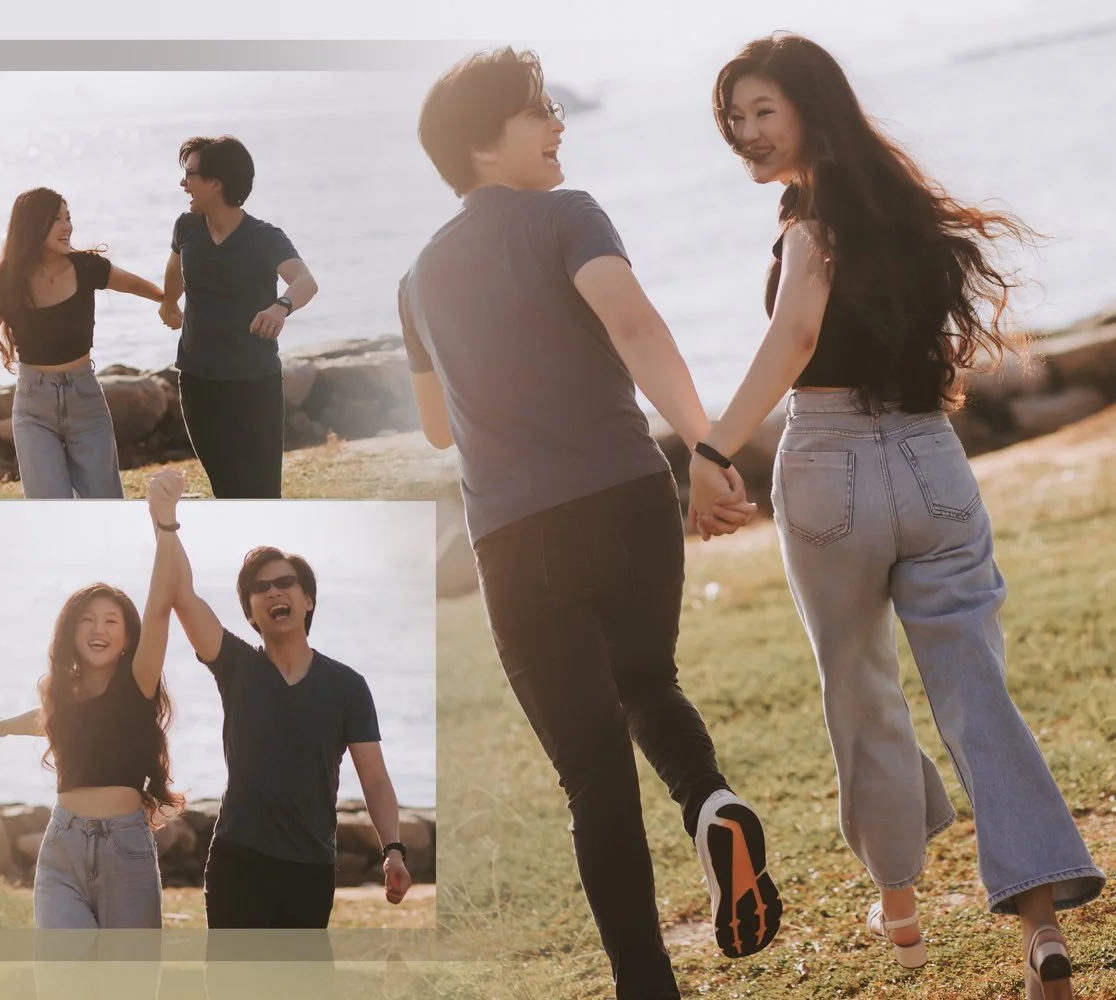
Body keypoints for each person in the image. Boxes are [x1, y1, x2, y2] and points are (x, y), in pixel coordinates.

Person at [697, 33, 1100, 998]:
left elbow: (797, 337)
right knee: (975, 689)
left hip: (829, 467)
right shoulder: (907, 212)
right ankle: (1037, 916)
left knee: (860, 688)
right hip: (931, 461)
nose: (746, 134)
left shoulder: (809, 229)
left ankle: (905, 913)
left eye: (763, 113)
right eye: (734, 118)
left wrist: (713, 450)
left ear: (810, 109)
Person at [399, 47, 779, 997]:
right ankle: (712, 801)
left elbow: (438, 429)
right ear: (484, 147)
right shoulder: (569, 214)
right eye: (538, 111)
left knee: (591, 776)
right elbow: (637, 327)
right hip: (623, 497)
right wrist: (707, 446)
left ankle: (644, 986)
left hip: (514, 538)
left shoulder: (414, 281)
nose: (558, 121)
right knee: (648, 679)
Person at [145, 469, 408, 933]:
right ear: (250, 611)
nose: (273, 592)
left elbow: (376, 780)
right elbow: (181, 595)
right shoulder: (236, 666)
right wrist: (165, 521)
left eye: (285, 583)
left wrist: (393, 850)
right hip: (237, 861)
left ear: (307, 599)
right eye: (260, 589)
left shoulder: (347, 685)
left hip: (309, 869)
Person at [0, 187, 167, 498]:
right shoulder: (7, 284)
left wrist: (167, 303)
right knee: (49, 509)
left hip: (85, 398)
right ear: (34, 225)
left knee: (104, 505)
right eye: (56, 219)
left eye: (68, 217)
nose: (67, 227)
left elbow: (133, 284)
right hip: (34, 407)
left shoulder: (87, 267)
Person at [0, 578, 179, 929]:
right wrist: (0, 725)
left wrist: (166, 532)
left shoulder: (138, 682)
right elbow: (46, 720)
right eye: (87, 619)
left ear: (128, 637)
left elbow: (160, 609)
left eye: (111, 620)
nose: (98, 629)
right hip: (62, 843)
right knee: (62, 974)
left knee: (128, 981)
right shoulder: (62, 692)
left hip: (124, 847)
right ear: (71, 630)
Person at [158, 136, 319, 499]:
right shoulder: (186, 227)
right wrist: (168, 304)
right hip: (198, 386)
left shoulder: (263, 237)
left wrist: (281, 306)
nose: (183, 184)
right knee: (227, 489)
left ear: (217, 183)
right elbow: (175, 268)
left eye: (191, 175)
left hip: (254, 386)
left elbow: (305, 281)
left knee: (262, 492)